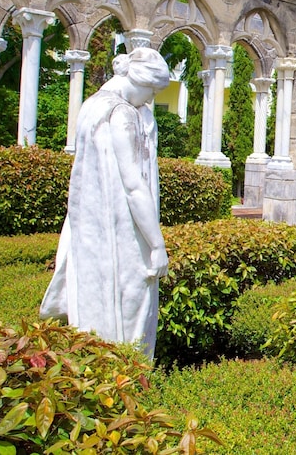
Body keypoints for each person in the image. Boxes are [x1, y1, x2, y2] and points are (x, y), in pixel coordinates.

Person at [40, 47, 171, 360]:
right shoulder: (123, 114)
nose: (151, 100)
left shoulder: (91, 107)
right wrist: (157, 245)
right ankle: (130, 387)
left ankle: (96, 381)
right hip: (124, 235)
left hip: (90, 230)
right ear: (137, 80)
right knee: (132, 314)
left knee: (93, 308)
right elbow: (134, 186)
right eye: (152, 90)